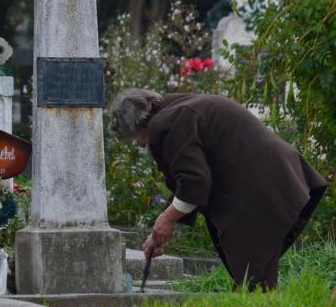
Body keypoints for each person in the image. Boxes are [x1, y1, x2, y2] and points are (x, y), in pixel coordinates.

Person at [108, 88, 328, 290]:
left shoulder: (166, 122)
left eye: (135, 137)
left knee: (254, 281)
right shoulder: (175, 109)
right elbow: (185, 181)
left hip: (261, 187)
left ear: (139, 125)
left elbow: (195, 181)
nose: (140, 144)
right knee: (253, 281)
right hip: (273, 180)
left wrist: (168, 219)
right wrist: (161, 230)